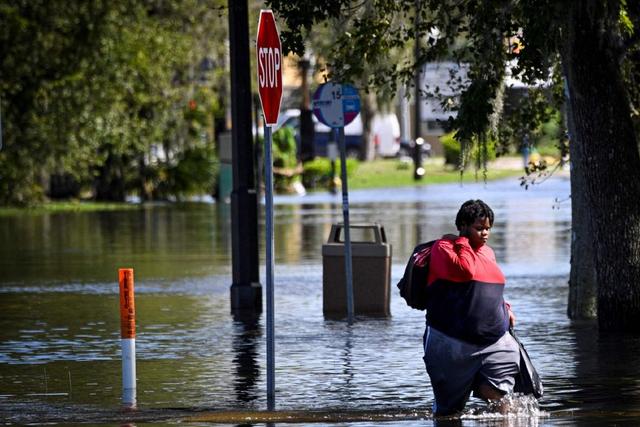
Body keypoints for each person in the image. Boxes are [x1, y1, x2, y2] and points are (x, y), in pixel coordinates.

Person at [423, 199, 519, 416]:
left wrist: (506, 308)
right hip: (449, 341)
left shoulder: (488, 252)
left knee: (501, 397)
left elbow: (492, 284)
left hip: (493, 340)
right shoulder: (443, 248)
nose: (485, 233)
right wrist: (462, 241)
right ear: (463, 225)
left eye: (488, 228)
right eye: (479, 228)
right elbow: (465, 270)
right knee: (449, 412)